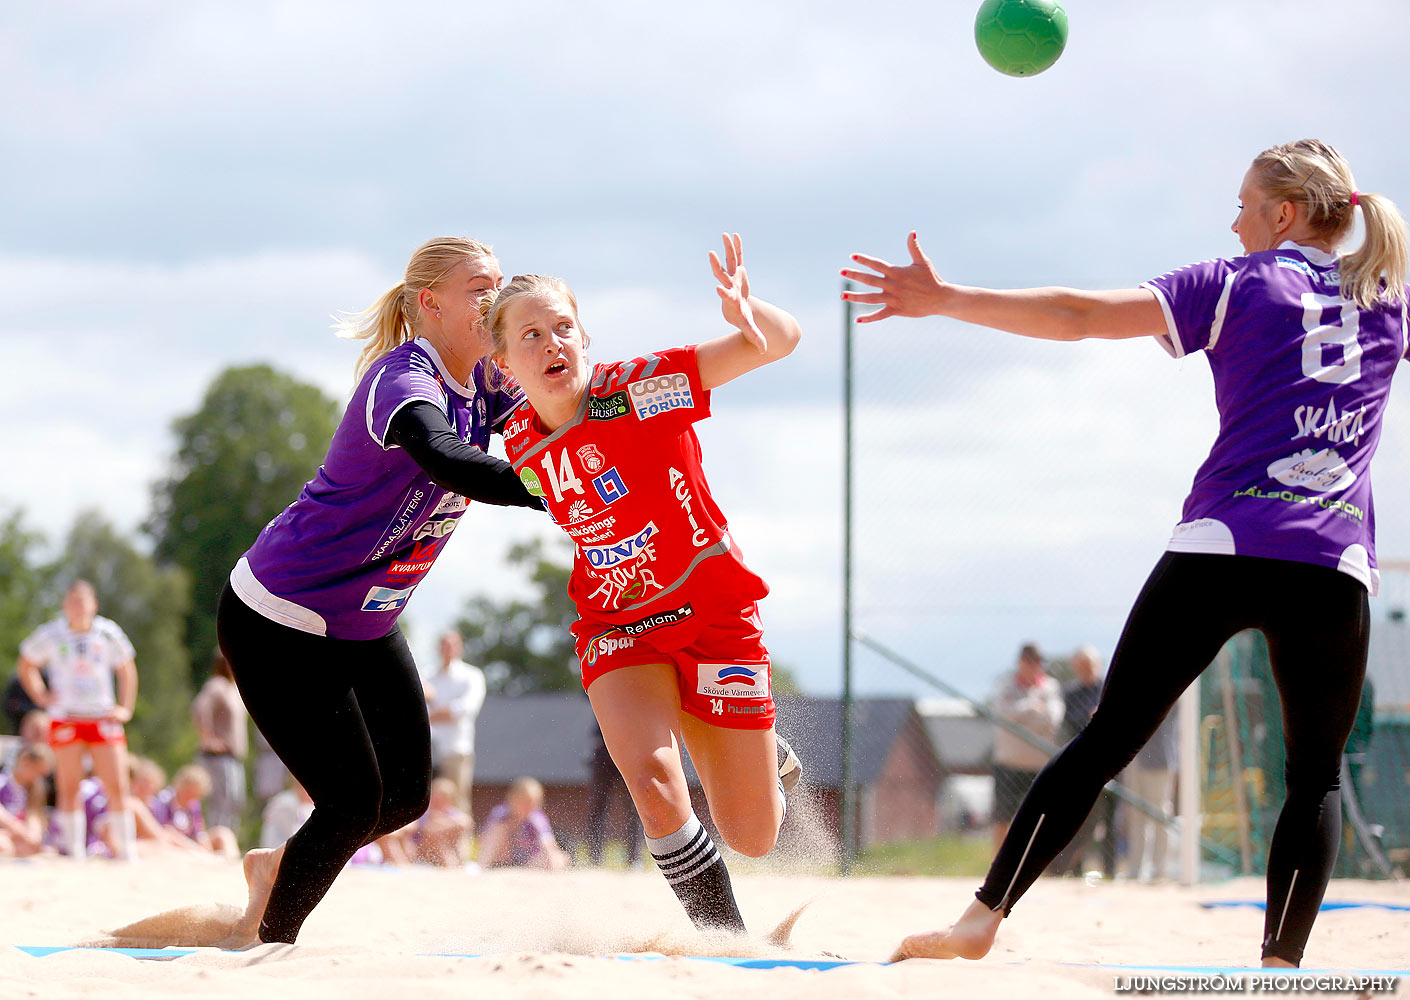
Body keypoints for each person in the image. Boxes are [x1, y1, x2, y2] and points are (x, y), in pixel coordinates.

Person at [843, 139, 1409, 968]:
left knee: (1106, 740)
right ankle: (1279, 970)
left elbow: (1078, 315)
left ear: (1283, 214)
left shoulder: (1234, 281)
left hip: (1224, 545)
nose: (1233, 219)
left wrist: (950, 297)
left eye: (1245, 203)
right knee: (1314, 778)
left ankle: (980, 923)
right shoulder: (1389, 299)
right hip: (1332, 563)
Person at [214, 236, 544, 946]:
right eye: (478, 287)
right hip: (280, 617)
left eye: (499, 283)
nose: (494, 297)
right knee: (350, 802)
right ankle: (267, 946)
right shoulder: (402, 379)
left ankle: (276, 867)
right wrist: (548, 492)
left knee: (404, 797)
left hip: (364, 621)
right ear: (431, 302)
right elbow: (447, 458)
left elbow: (559, 416)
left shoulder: (490, 380)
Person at [483, 234, 804, 933]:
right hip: (618, 625)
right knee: (657, 791)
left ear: (584, 337)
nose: (550, 343)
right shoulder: (518, 441)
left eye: (562, 327)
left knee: (753, 836)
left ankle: (764, 748)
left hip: (715, 613)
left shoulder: (635, 390)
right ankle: (727, 941)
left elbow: (779, 342)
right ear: (505, 363)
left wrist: (750, 311)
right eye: (530, 335)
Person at [15, 579, 139, 861]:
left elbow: (127, 669)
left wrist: (125, 707)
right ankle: (74, 852)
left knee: (117, 784)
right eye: (73, 600)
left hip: (102, 715)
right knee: (69, 785)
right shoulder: (52, 633)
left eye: (83, 601)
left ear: (93, 605)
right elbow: (26, 663)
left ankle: (127, 852)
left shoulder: (108, 633)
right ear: (65, 605)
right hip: (66, 716)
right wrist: (42, 696)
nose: (78, 607)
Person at [988, 643, 1063, 852]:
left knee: (1039, 819)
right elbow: (1003, 715)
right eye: (1030, 661)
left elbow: (1052, 719)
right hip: (1008, 763)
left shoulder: (1050, 687)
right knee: (1003, 818)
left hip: (1039, 766)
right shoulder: (1006, 686)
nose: (1034, 666)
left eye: (1038, 662)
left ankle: (1034, 865)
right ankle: (998, 864)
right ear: (1021, 662)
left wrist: (1020, 717)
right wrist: (1030, 707)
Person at [1052, 645, 1117, 877]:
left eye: (1089, 666)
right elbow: (1068, 723)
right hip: (1079, 763)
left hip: (1111, 762)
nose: (1086, 670)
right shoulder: (1070, 693)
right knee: (1077, 819)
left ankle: (1110, 869)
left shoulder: (1108, 689)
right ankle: (1075, 869)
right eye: (1081, 667)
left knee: (1111, 820)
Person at [424, 631, 486, 819]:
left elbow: (466, 709)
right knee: (426, 803)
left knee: (457, 804)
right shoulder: (427, 675)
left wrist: (433, 714)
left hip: (456, 750)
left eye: (452, 644)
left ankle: (460, 848)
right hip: (429, 750)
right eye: (444, 644)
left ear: (460, 647)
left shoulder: (472, 675)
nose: (448, 649)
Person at [191, 651, 248, 833]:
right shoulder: (217, 686)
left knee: (234, 800)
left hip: (233, 757)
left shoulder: (233, 688)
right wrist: (208, 739)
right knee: (221, 800)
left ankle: (228, 837)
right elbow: (200, 710)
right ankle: (216, 837)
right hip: (218, 757)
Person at [1122, 706, 1177, 882]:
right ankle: (1135, 868)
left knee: (1159, 813)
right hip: (1133, 758)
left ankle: (1160, 869)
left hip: (1158, 758)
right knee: (1135, 814)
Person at [584, 719, 643, 867]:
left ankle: (634, 859)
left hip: (631, 747)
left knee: (635, 807)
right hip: (603, 746)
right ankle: (595, 858)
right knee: (598, 806)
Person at [477, 776, 569, 871]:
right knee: (499, 827)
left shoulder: (537, 817)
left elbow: (548, 843)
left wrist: (554, 860)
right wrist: (511, 825)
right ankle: (482, 866)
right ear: (513, 800)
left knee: (559, 857)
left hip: (528, 862)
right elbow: (485, 839)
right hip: (502, 859)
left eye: (533, 803)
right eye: (525, 802)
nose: (529, 807)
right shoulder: (501, 813)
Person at [0, 743, 54, 857]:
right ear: (25, 762)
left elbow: (34, 816)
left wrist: (35, 835)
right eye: (37, 772)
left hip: (18, 835)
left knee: (39, 849)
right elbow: (3, 816)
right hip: (7, 832)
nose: (38, 778)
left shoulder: (34, 789)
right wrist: (24, 833)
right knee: (5, 846)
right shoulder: (3, 782)